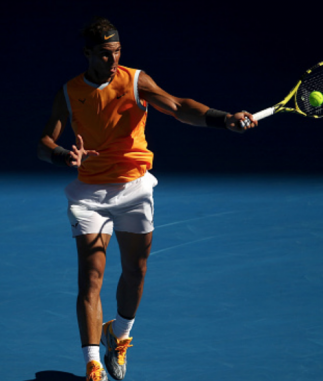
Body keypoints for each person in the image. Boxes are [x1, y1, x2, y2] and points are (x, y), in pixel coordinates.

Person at [37, 16, 257, 381]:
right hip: (89, 195)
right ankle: (93, 364)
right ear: (88, 53)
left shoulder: (135, 80)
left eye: (118, 51)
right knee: (91, 277)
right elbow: (44, 144)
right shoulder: (68, 92)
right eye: (106, 54)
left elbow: (178, 106)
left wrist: (224, 119)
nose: (113, 59)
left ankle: (118, 337)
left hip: (135, 189)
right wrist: (63, 155)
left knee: (135, 271)